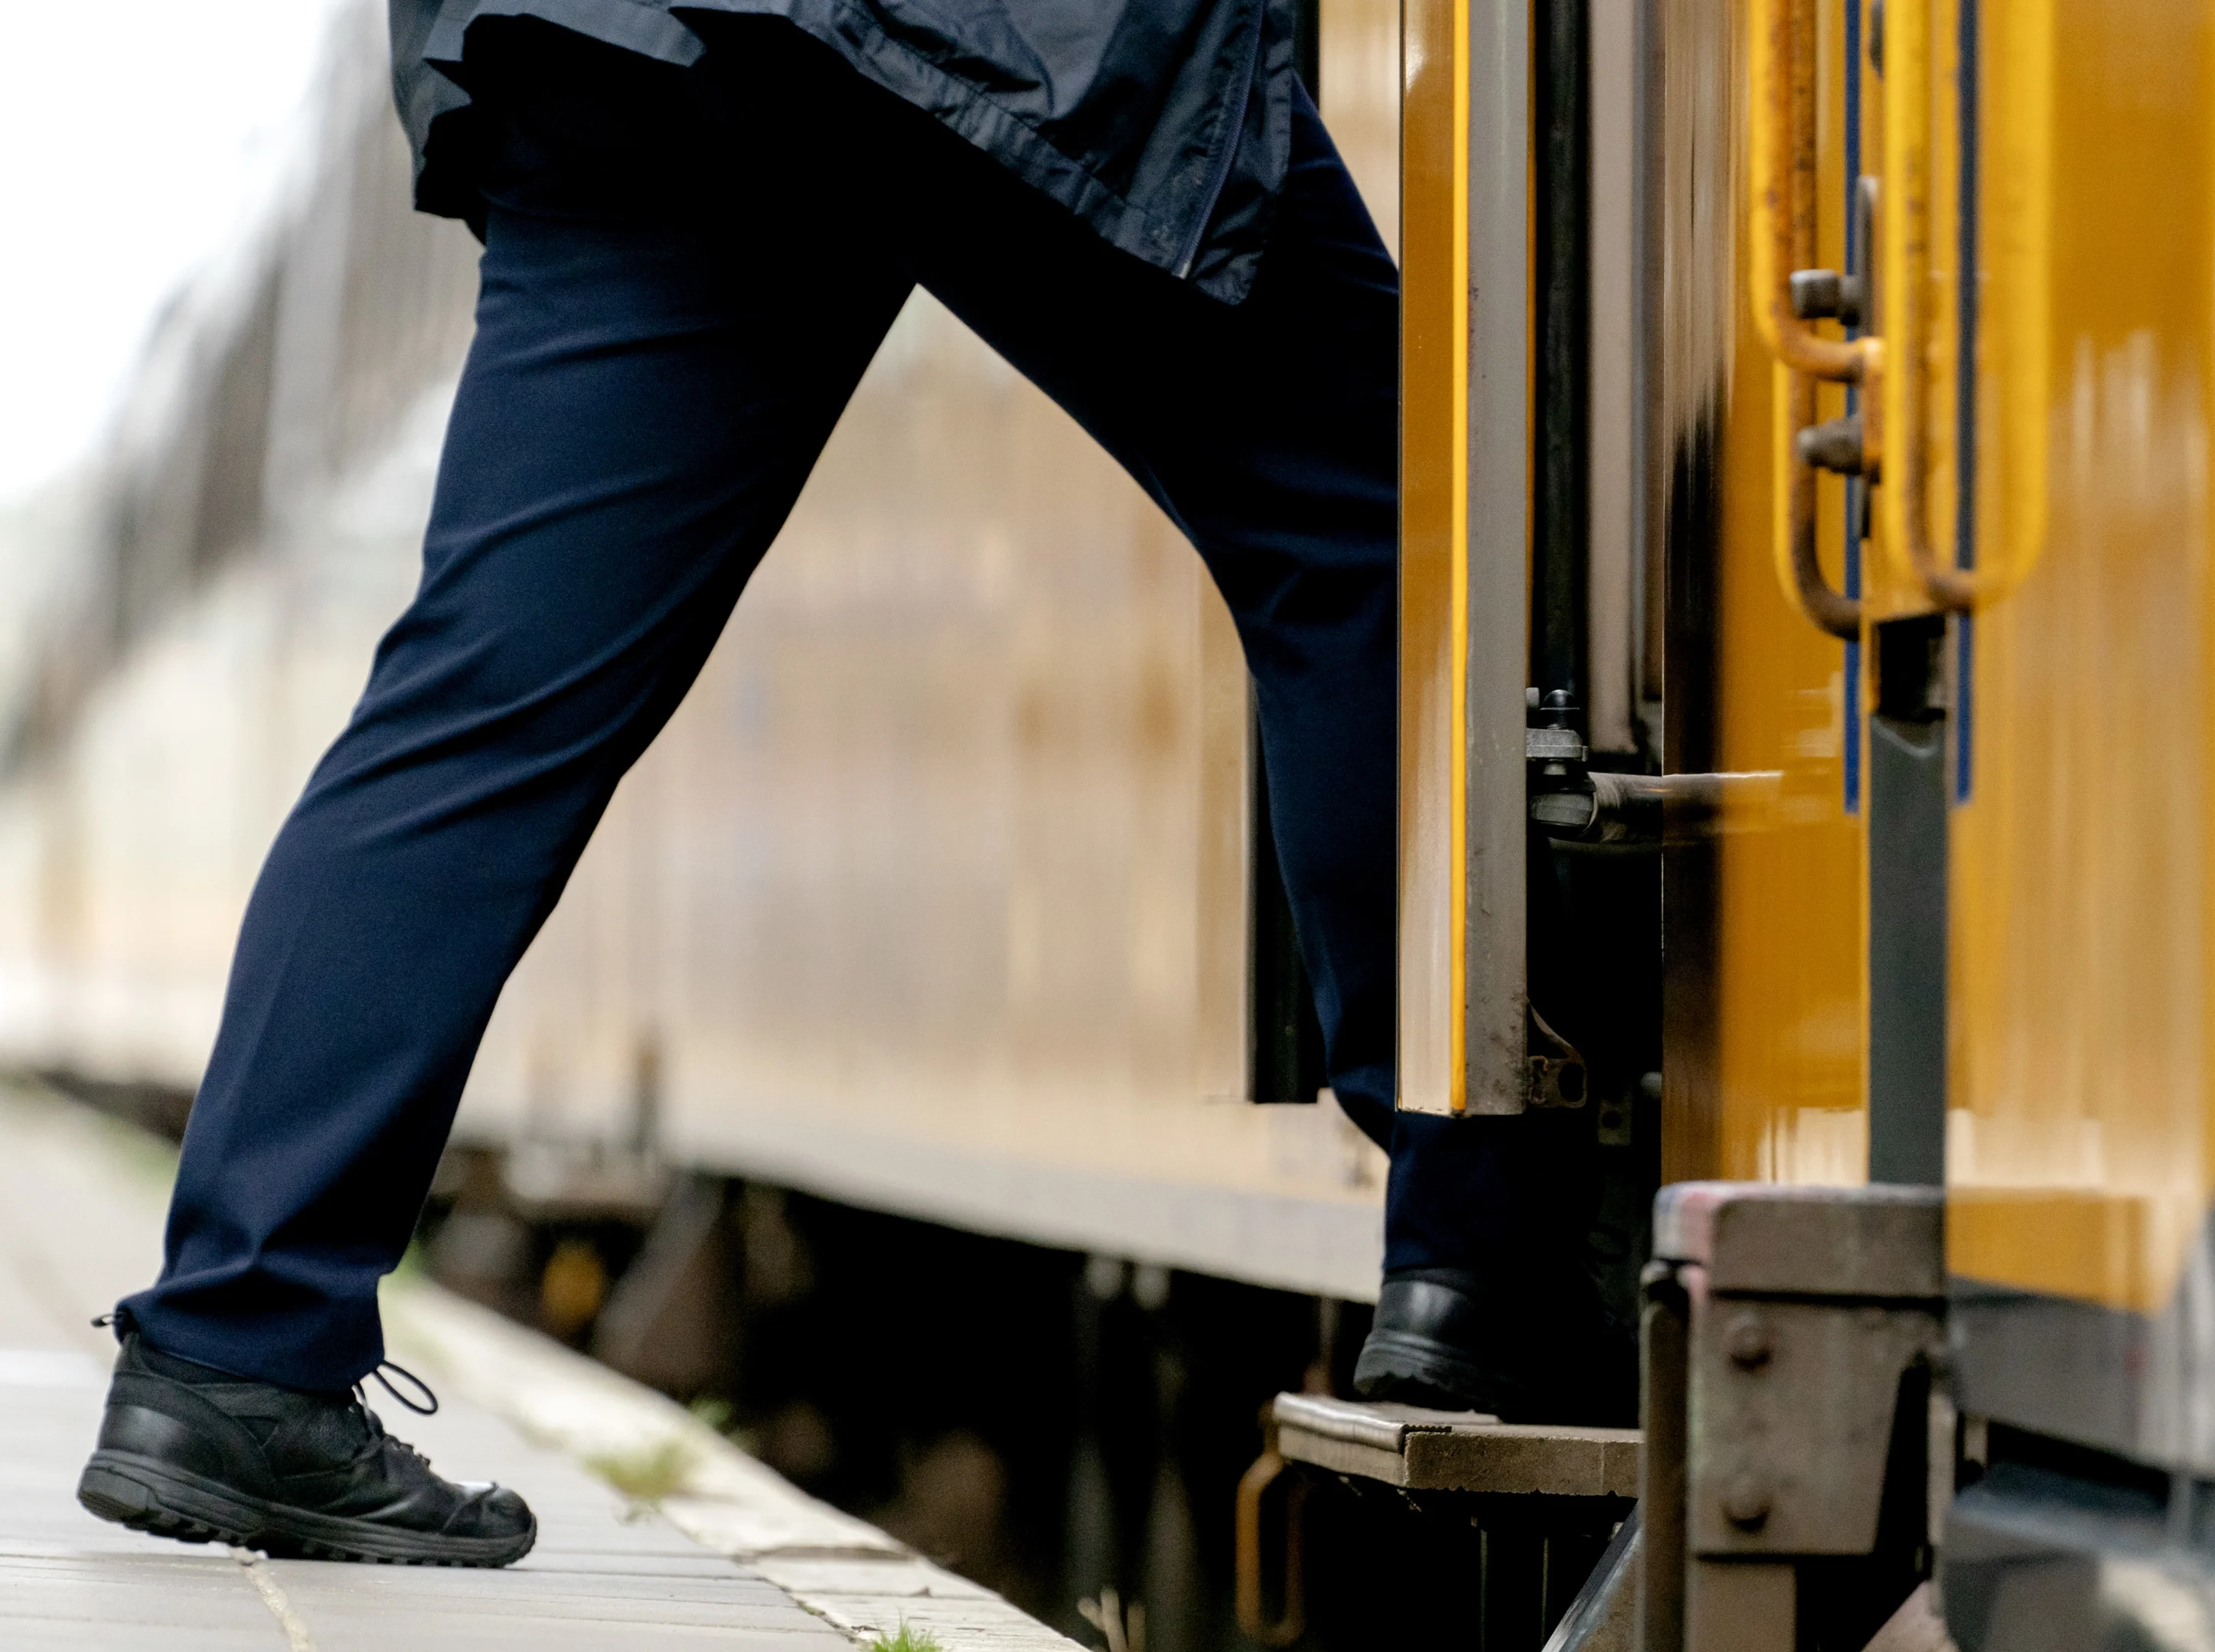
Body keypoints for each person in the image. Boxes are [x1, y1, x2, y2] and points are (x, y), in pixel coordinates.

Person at [75, 0, 1600, 1569]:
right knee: (1386, 514)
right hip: (946, 32)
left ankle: (236, 1346)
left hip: (610, 42)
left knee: (483, 703)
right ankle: (1482, 1237)